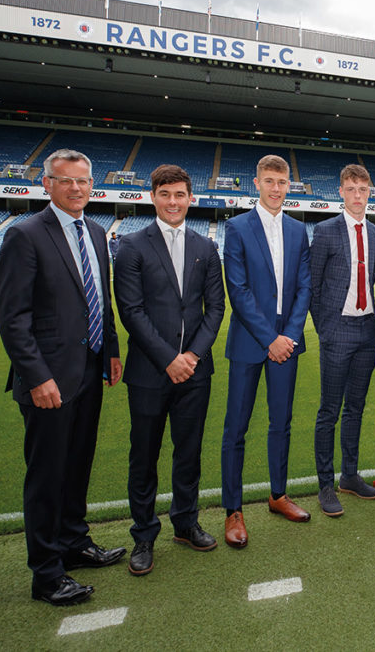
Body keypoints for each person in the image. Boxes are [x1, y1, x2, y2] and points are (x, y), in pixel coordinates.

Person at [0, 148, 125, 606]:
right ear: (46, 184)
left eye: (83, 181)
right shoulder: (25, 235)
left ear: (92, 184)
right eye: (65, 180)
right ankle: (46, 574)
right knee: (47, 477)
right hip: (48, 379)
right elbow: (13, 319)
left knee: (77, 465)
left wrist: (110, 351)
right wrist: (36, 377)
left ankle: (74, 543)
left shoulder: (93, 230)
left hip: (89, 369)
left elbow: (99, 300)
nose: (76, 188)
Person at [113, 164, 225, 575]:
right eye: (165, 195)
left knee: (189, 451)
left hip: (196, 370)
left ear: (190, 198)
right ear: (153, 197)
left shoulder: (205, 247)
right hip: (149, 371)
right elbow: (131, 311)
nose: (173, 202)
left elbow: (215, 308)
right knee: (144, 454)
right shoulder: (131, 246)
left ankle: (186, 521)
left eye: (180, 195)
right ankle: (143, 534)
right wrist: (168, 359)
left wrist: (192, 356)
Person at [221, 154, 312, 549]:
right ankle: (233, 510)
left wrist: (288, 335)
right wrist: (269, 338)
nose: (276, 188)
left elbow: (304, 288)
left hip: (286, 344)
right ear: (256, 183)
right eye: (269, 181)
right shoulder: (237, 227)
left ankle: (278, 495)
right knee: (235, 428)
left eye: (282, 182)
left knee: (282, 423)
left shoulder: (297, 230)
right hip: (250, 342)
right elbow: (237, 291)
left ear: (289, 185)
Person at [309, 164, 375, 517]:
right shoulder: (325, 231)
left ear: (370, 192)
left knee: (355, 409)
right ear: (341, 191)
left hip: (367, 331)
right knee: (329, 411)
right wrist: (325, 328)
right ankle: (325, 484)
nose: (357, 196)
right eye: (351, 189)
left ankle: (349, 476)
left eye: (363, 190)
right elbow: (313, 287)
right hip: (336, 331)